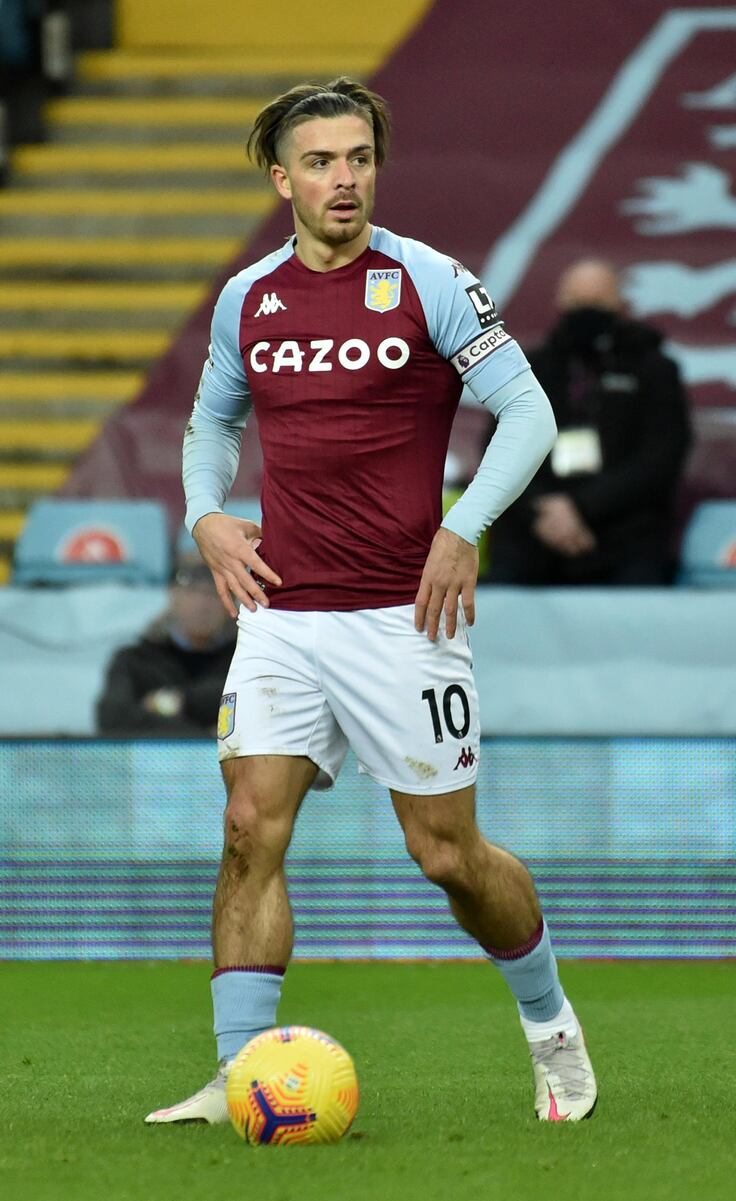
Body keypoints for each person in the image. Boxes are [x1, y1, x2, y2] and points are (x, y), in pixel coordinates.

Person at [145, 78, 597, 1126]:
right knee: (249, 825)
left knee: (444, 854)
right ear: (281, 178)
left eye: (357, 159)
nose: (341, 179)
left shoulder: (430, 282)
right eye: (319, 162)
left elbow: (524, 416)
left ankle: (549, 1026)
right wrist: (205, 513)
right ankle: (238, 1072)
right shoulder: (247, 298)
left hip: (404, 618)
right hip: (284, 612)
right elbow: (209, 423)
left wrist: (461, 526)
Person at [486, 258, 692, 585]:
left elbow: (661, 459)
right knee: (501, 583)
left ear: (621, 304)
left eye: (597, 303)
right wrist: (544, 509)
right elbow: (497, 449)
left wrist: (581, 506)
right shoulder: (529, 369)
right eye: (579, 303)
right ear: (561, 303)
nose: (587, 312)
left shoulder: (654, 369)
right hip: (539, 529)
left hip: (624, 533)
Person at [96, 549, 235, 737]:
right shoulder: (134, 661)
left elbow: (254, 711)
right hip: (151, 766)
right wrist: (205, 736)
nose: (202, 604)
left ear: (230, 603)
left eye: (214, 592)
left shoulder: (242, 661)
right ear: (172, 595)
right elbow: (113, 720)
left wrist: (177, 702)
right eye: (192, 591)